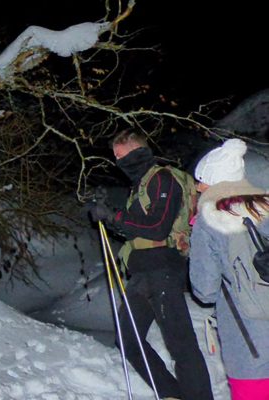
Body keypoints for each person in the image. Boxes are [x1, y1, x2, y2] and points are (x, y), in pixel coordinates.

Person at [85, 129, 213, 400]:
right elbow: (135, 228)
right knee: (128, 340)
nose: (118, 162)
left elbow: (156, 227)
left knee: (181, 344)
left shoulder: (163, 180)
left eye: (120, 156)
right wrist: (107, 214)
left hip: (163, 268)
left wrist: (114, 216)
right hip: (142, 273)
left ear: (136, 152)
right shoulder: (141, 185)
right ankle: (171, 394)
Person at [189, 138, 269, 400]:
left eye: (202, 180)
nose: (198, 187)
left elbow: (205, 290)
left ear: (214, 182)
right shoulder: (266, 206)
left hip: (248, 335)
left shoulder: (210, 220)